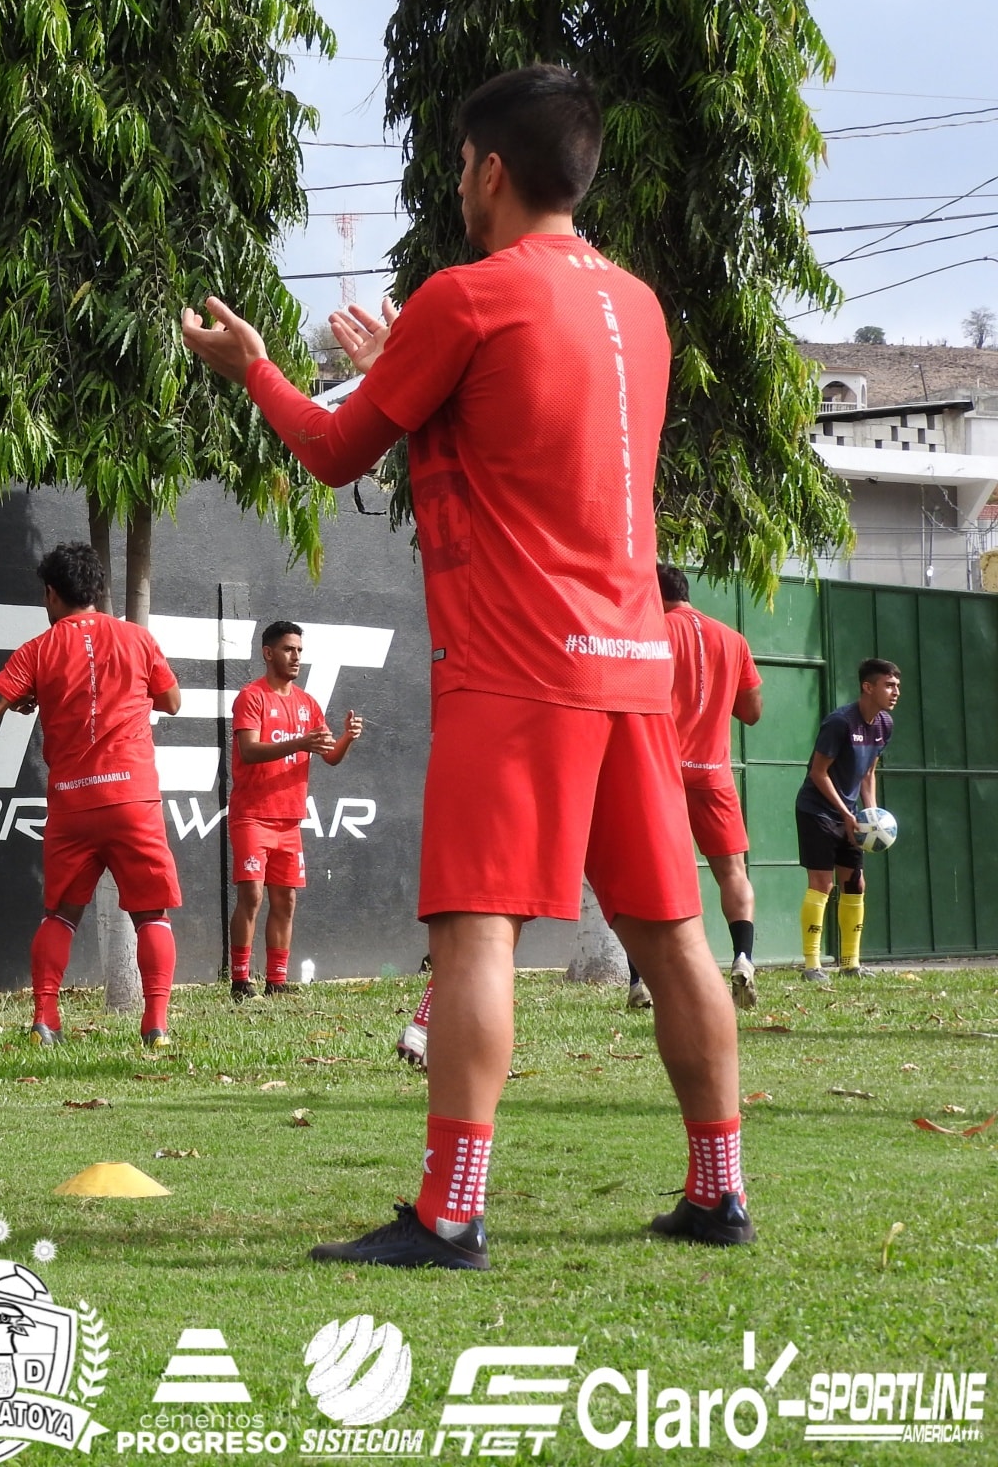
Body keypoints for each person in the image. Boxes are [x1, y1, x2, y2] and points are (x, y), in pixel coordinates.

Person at [182, 65, 748, 1267]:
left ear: (489, 170)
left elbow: (336, 450)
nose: (454, 184)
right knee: (671, 936)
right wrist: (409, 360)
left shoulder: (466, 296)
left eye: (455, 164)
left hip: (516, 667)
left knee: (471, 933)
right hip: (629, 664)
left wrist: (252, 373)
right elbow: (515, 431)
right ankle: (717, 1191)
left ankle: (448, 1213)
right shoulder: (639, 308)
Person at [0, 543, 185, 1047]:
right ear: (98, 590)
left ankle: (45, 1019)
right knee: (152, 913)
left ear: (51, 594)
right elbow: (172, 701)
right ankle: (156, 1026)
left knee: (60, 915)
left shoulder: (39, 649)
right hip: (133, 798)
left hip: (73, 802)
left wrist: (30, 695)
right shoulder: (136, 639)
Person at [643, 565, 763, 1009]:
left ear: (653, 594)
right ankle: (744, 958)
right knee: (733, 872)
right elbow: (752, 711)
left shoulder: (652, 630)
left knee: (646, 872)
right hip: (713, 772)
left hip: (661, 769)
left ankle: (642, 982)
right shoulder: (732, 639)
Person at [227, 621, 363, 1000]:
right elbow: (249, 751)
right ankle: (240, 980)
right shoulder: (251, 697)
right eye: (289, 649)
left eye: (300, 650)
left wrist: (347, 738)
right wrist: (299, 742)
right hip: (252, 815)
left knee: (286, 900)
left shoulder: (307, 704)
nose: (296, 657)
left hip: (289, 820)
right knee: (252, 895)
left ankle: (277, 980)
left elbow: (330, 756)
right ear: (268, 653)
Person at [796, 659, 900, 981]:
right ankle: (812, 965)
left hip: (852, 817)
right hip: (817, 811)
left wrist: (871, 816)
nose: (895, 691)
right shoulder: (839, 723)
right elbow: (818, 772)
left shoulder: (884, 724)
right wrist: (844, 812)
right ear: (868, 687)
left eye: (897, 685)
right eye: (888, 685)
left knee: (855, 882)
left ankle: (850, 963)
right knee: (822, 883)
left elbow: (868, 772)